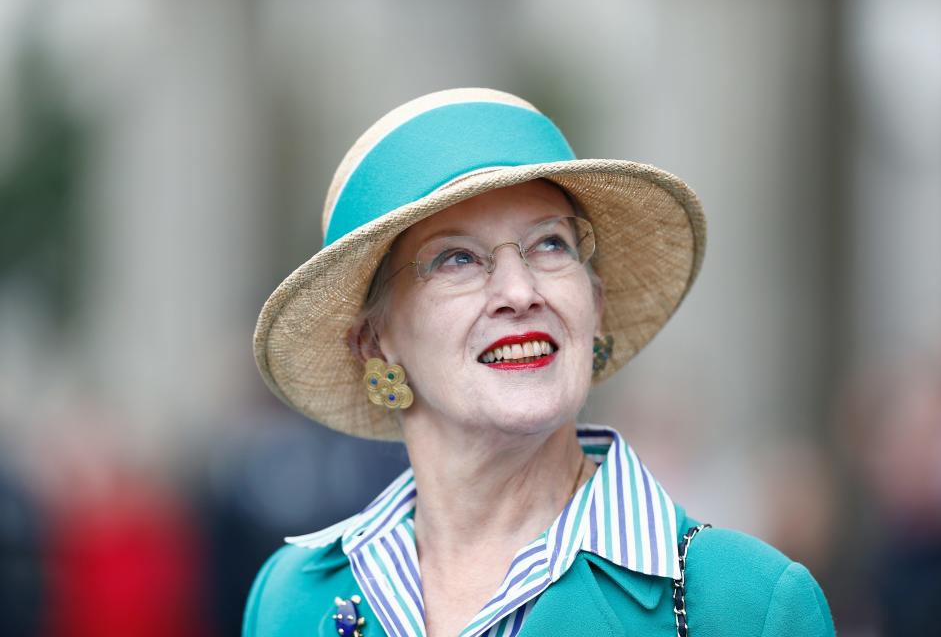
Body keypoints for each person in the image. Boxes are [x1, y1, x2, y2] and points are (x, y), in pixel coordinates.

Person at [244, 88, 835, 637]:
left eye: (551, 243)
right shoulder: (289, 599)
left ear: (595, 306)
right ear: (375, 345)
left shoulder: (745, 606)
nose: (520, 290)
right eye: (456, 258)